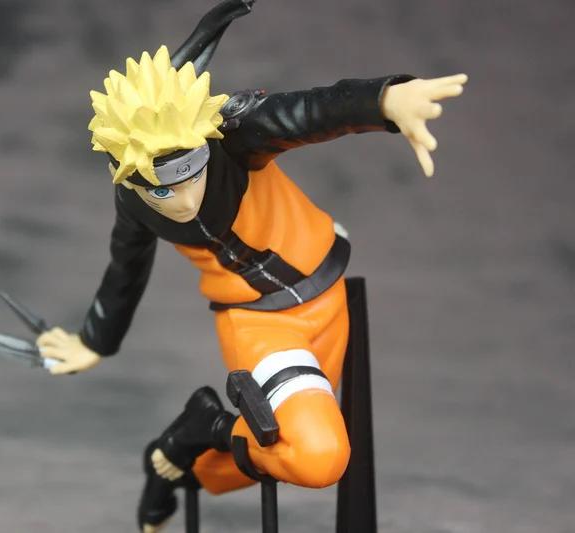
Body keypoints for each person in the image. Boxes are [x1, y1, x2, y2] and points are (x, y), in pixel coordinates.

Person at [35, 3, 466, 531]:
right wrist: (95, 341)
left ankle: (183, 453)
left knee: (275, 454)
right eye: (160, 188)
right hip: (263, 327)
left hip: (330, 295)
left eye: (191, 172)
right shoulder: (134, 203)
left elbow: (309, 112)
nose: (183, 199)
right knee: (318, 456)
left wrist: (383, 100)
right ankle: (208, 430)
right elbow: (125, 268)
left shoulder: (233, 134)